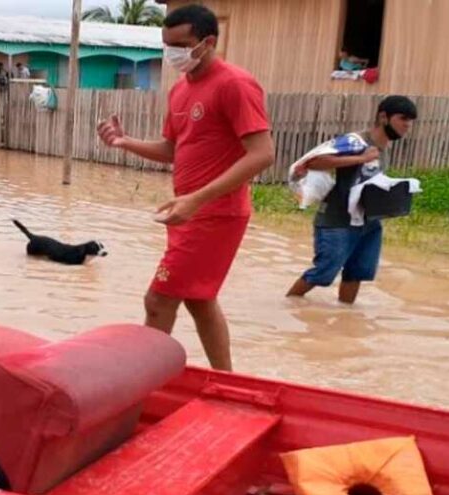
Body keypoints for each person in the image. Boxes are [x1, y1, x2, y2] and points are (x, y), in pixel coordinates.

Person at [96, 4, 275, 372]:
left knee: (158, 300)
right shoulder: (180, 90)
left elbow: (262, 154)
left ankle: (141, 384)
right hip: (186, 213)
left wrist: (197, 199)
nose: (173, 53)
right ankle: (226, 379)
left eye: (181, 44)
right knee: (199, 299)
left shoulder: (235, 85)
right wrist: (124, 142)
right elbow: (173, 149)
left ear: (207, 42)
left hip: (214, 213)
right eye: (167, 45)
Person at [286, 95, 418, 304]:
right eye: (403, 118)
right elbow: (314, 161)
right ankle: (289, 305)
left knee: (356, 273)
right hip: (337, 221)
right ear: (384, 117)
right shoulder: (357, 141)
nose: (408, 125)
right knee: (322, 273)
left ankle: (345, 320)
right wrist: (360, 158)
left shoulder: (384, 148)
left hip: (368, 222)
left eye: (411, 120)